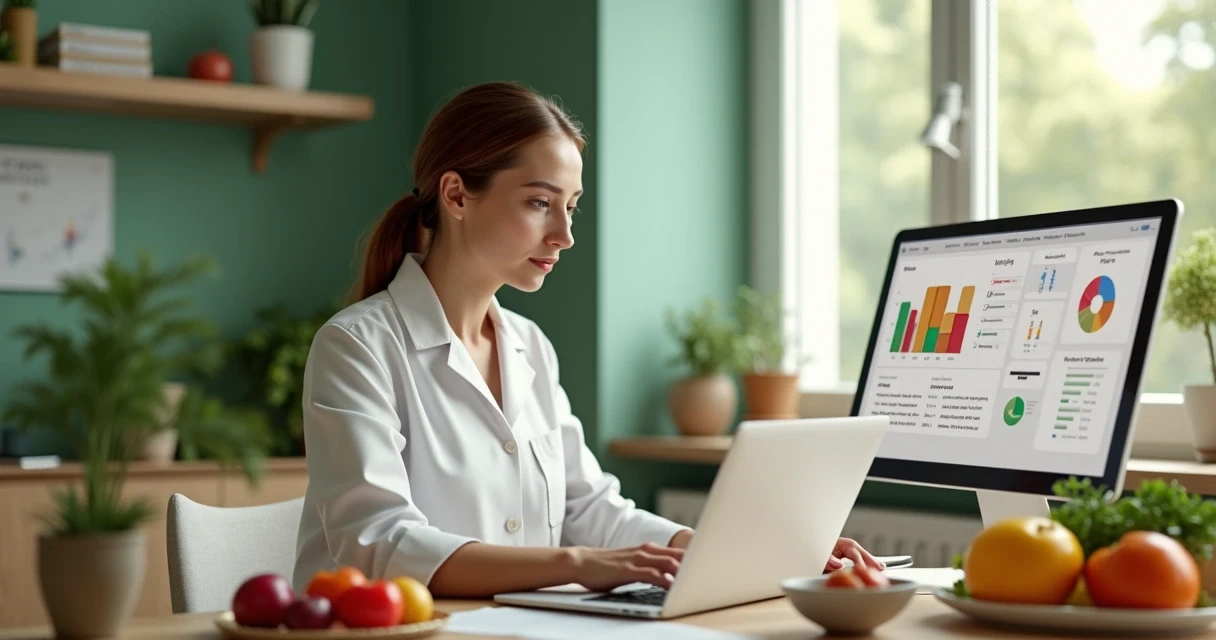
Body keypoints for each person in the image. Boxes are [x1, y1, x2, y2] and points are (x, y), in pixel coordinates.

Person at [292, 81, 883, 599]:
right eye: (539, 203)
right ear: (456, 196)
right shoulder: (358, 347)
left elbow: (589, 508)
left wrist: (747, 553)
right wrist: (578, 565)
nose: (565, 234)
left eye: (570, 207)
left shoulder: (529, 347)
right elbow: (380, 543)